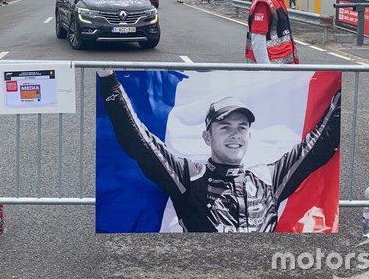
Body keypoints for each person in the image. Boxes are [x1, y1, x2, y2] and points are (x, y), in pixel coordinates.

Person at [98, 69, 341, 232]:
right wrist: (108, 80)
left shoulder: (269, 178)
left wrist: (341, 91)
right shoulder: (188, 177)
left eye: (241, 127)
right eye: (225, 127)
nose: (235, 134)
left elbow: (318, 146)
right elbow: (139, 142)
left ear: (249, 135)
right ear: (207, 136)